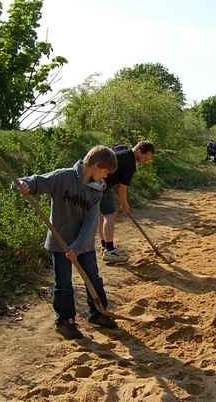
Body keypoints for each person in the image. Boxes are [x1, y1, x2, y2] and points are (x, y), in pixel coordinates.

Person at [15, 146, 119, 339]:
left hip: (84, 244)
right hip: (59, 242)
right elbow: (37, 181)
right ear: (97, 165)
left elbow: (90, 224)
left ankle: (98, 313)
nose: (105, 177)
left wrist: (77, 248)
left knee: (93, 278)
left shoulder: (97, 191)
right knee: (63, 282)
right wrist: (24, 184)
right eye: (105, 172)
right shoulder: (63, 177)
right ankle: (65, 321)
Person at [98, 141, 155, 263]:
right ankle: (109, 251)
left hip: (94, 180)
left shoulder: (122, 148)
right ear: (139, 151)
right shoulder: (130, 164)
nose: (145, 161)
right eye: (145, 158)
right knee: (109, 215)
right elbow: (122, 189)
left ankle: (105, 246)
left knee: (102, 216)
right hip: (101, 184)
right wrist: (125, 205)